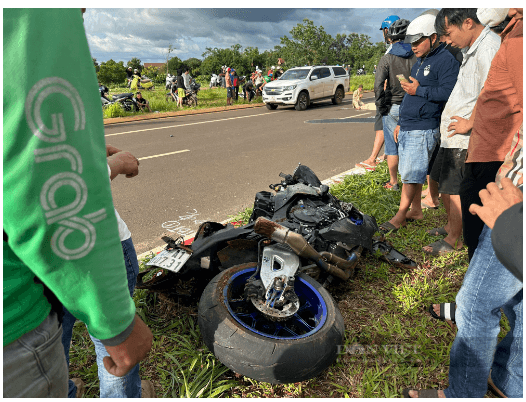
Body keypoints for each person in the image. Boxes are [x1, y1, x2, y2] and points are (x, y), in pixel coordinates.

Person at [3, 9, 153, 398]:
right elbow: (49, 181)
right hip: (22, 308)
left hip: (29, 279)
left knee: (63, 343)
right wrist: (118, 324)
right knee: (113, 360)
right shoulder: (37, 15)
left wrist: (87, 149)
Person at [405, 8, 523, 398]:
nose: (445, 37)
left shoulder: (512, 40)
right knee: (515, 295)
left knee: (474, 303)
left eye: (447, 29)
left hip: (509, 182)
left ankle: (464, 394)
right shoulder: (509, 34)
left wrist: (516, 191)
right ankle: (510, 380)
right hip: (500, 165)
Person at [61, 145, 154, 398]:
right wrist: (116, 165)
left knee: (54, 341)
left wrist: (87, 141)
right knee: (113, 347)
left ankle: (64, 392)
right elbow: (54, 188)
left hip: (34, 256)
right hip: (99, 246)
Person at [422, 8, 501, 256]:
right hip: (452, 135)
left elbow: (490, 90)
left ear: (467, 23)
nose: (445, 40)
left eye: (447, 33)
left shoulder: (488, 47)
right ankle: (451, 226)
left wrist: (469, 122)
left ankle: (455, 238)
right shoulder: (471, 48)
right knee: (444, 183)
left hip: (464, 137)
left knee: (456, 188)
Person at [379, 12, 459, 234]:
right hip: (409, 125)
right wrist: (401, 122)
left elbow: (448, 92)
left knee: (412, 174)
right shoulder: (420, 61)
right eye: (411, 42)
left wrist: (419, 90)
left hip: (424, 126)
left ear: (433, 38)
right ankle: (415, 210)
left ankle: (400, 215)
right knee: (409, 172)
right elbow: (410, 93)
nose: (413, 46)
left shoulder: (445, 61)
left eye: (417, 41)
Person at [455, 7, 523, 260]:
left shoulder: (518, 39)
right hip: (489, 148)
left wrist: (512, 171)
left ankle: (477, 297)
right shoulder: (512, 34)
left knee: (483, 238)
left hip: (498, 153)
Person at [374, 18, 416, 191]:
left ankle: (394, 182)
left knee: (392, 148)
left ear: (391, 37)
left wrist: (381, 107)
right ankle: (413, 183)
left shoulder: (387, 58)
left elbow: (378, 86)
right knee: (413, 146)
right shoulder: (417, 55)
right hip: (414, 105)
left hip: (393, 107)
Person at [355, 14, 400, 171]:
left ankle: (372, 158)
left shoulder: (392, 50)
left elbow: (381, 81)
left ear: (387, 30)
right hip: (400, 95)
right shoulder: (406, 48)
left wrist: (380, 97)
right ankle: (388, 154)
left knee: (382, 125)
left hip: (389, 94)